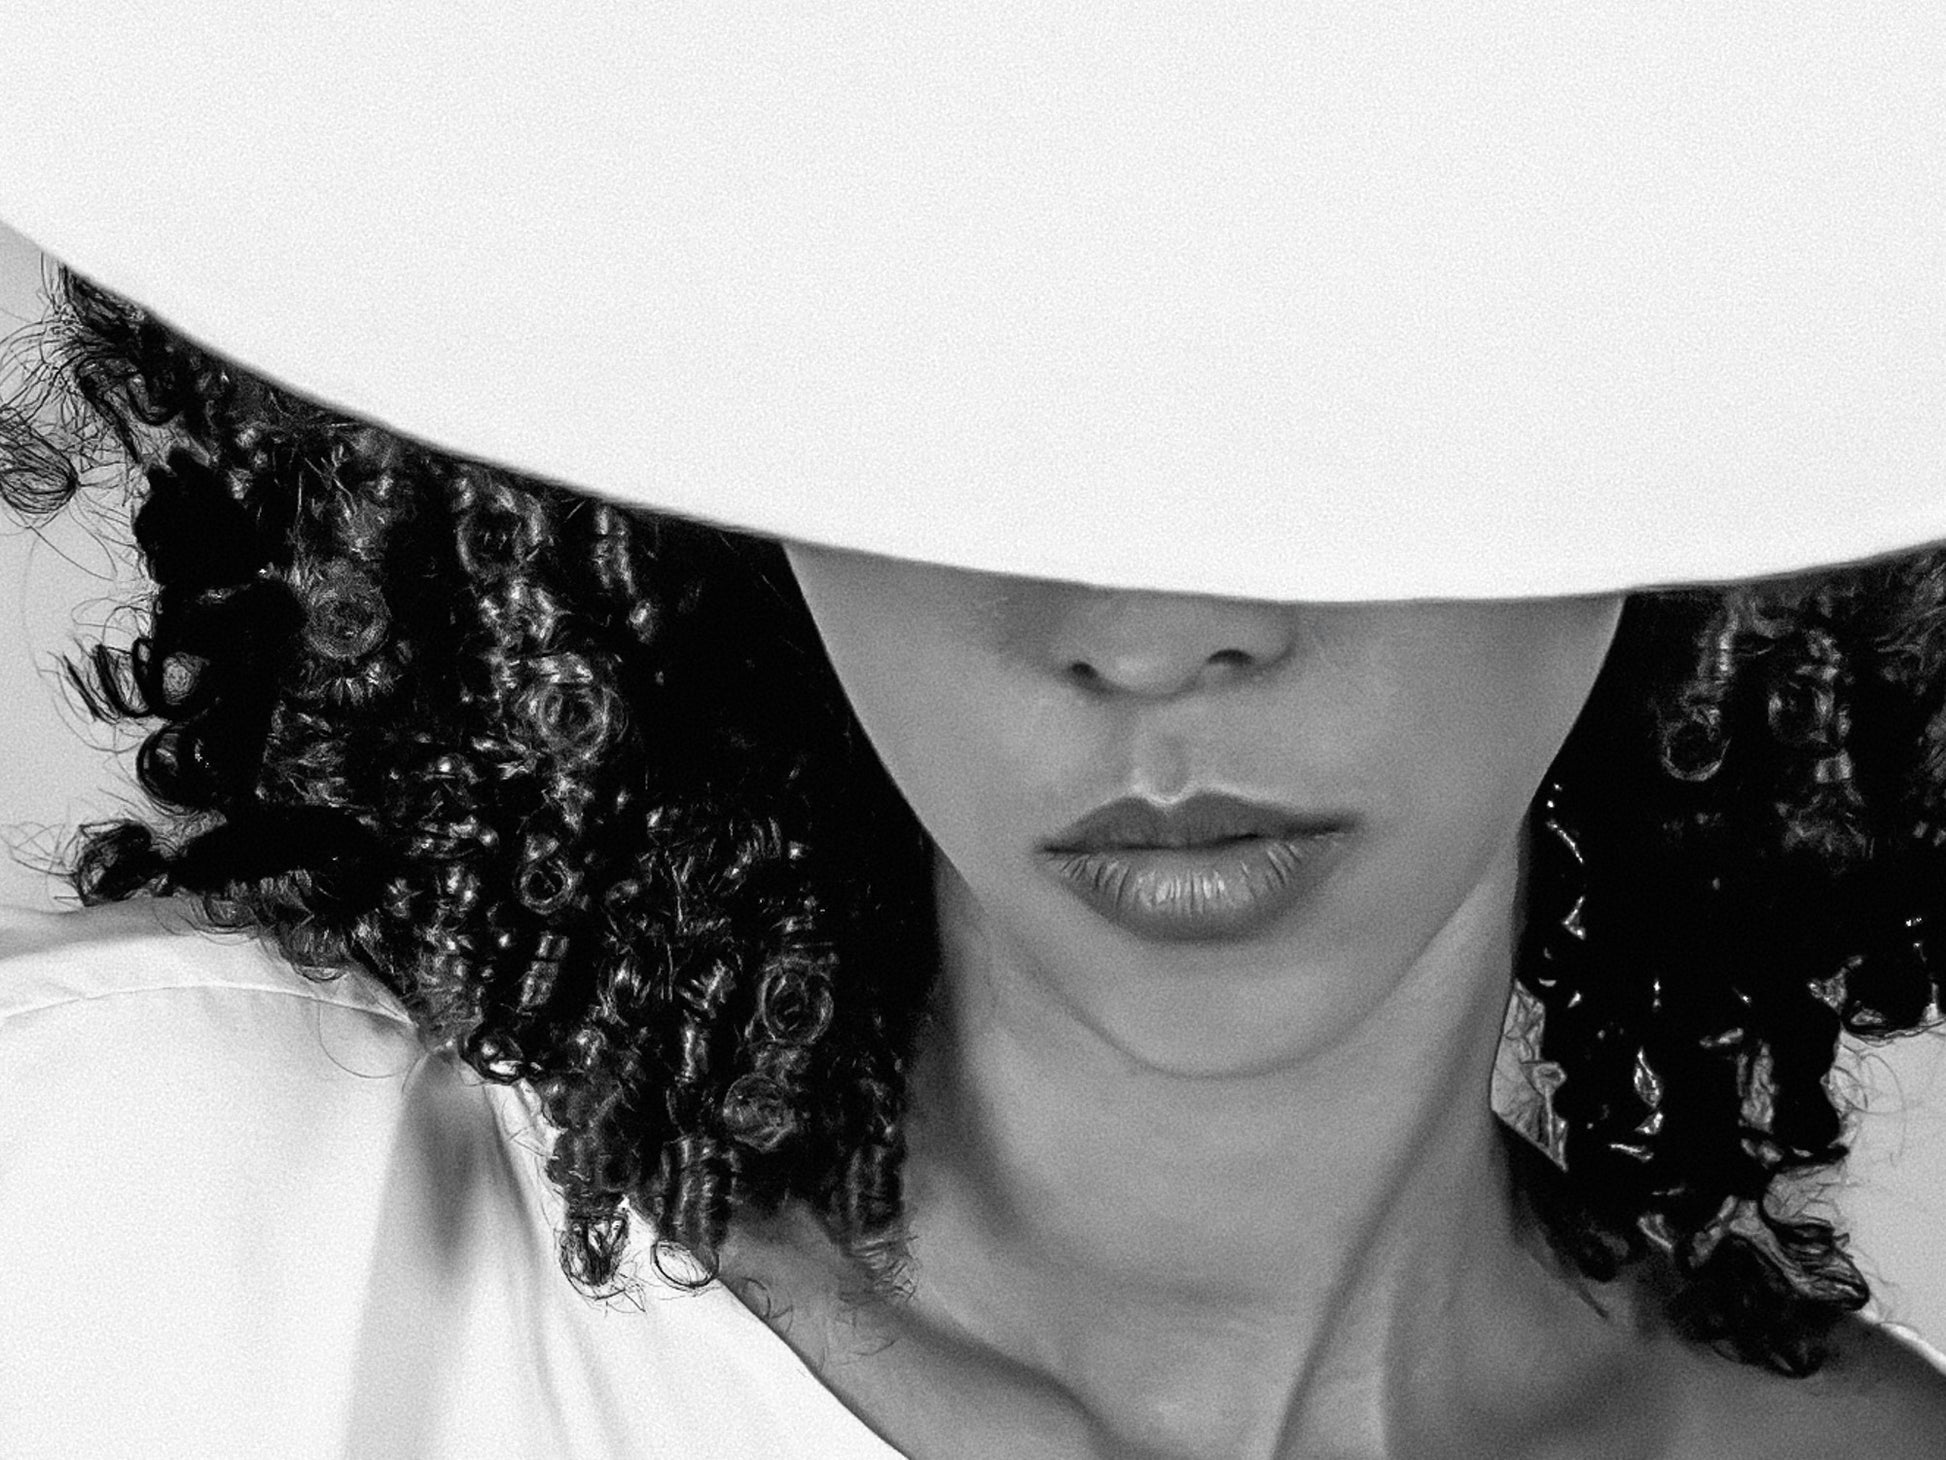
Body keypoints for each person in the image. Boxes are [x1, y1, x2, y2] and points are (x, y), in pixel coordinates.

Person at [2, 7, 1945, 1457]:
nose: (1150, 633)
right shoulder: (143, 1225)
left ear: (1681, 421)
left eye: (1340, 389)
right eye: (954, 413)